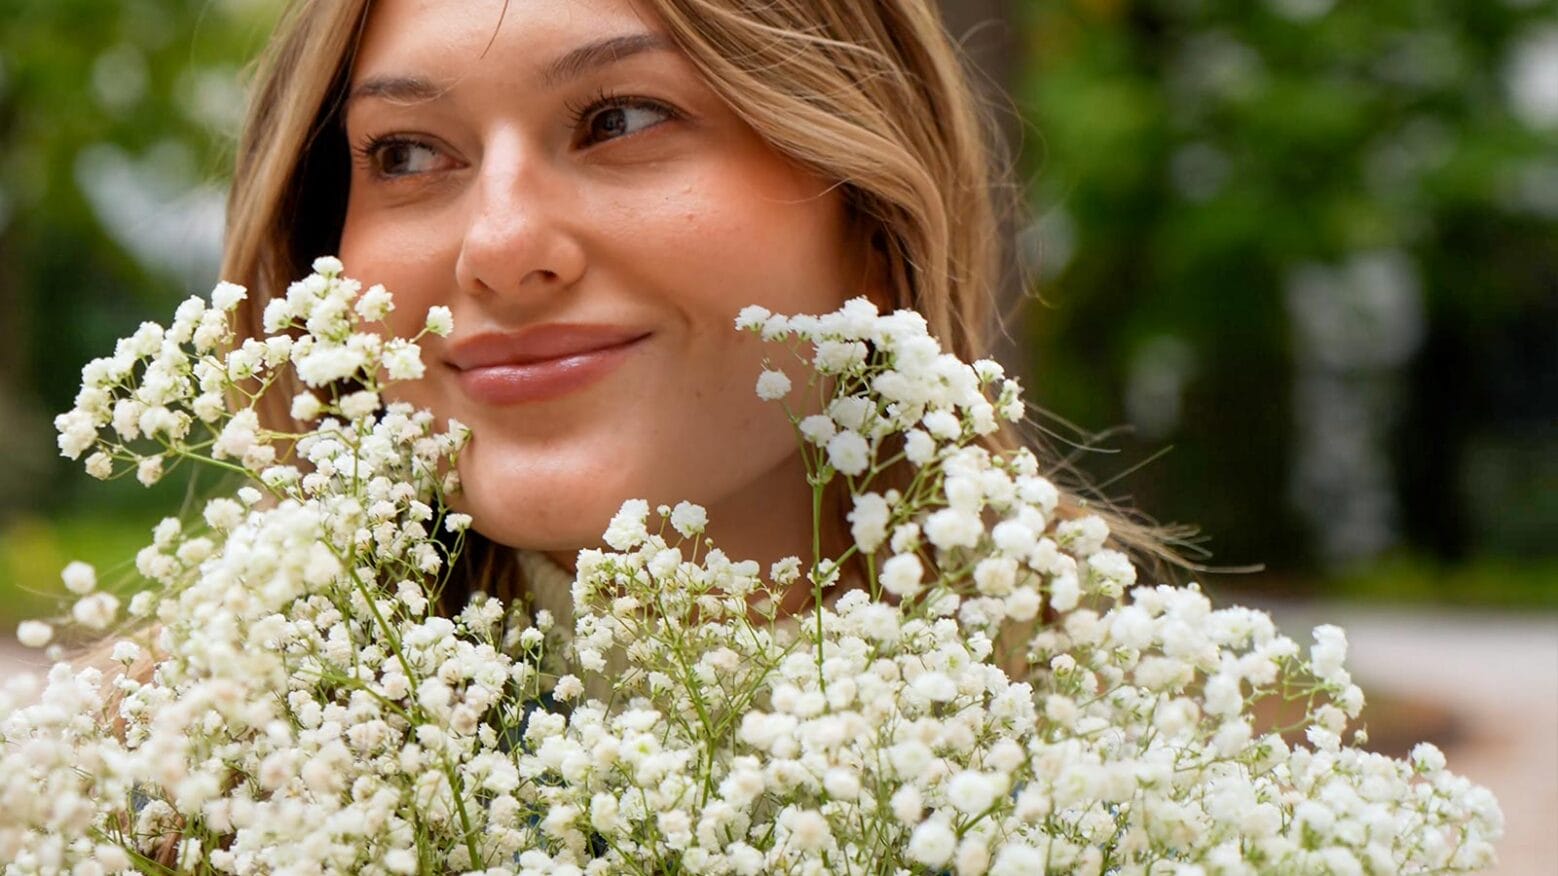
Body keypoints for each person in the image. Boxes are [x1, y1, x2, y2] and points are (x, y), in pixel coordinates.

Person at [222, 0, 1165, 620]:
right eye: (407, 155)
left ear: (874, 218)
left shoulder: (1170, 794)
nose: (499, 250)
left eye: (621, 121)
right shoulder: (160, 798)